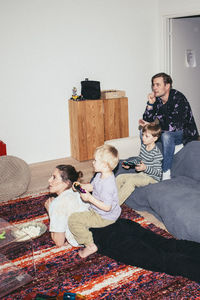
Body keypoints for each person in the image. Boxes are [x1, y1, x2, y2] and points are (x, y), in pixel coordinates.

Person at [139, 72, 199, 180]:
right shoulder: (157, 100)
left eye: (158, 85)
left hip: (184, 133)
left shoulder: (179, 98)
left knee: (167, 136)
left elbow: (175, 125)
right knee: (143, 132)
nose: (154, 88)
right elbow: (147, 119)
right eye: (153, 85)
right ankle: (147, 161)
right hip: (166, 131)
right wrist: (150, 104)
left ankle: (165, 172)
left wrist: (153, 126)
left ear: (167, 86)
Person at [68, 144, 121, 258]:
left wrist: (90, 199)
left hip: (104, 216)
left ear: (105, 165)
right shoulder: (100, 174)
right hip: (100, 211)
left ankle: (90, 245)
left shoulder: (108, 185)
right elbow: (93, 187)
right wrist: (81, 186)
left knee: (73, 220)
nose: (93, 162)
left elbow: (107, 207)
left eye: (95, 160)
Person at [116, 122, 163, 205]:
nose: (143, 138)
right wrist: (130, 164)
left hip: (152, 178)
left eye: (146, 136)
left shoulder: (157, 154)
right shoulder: (143, 147)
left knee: (131, 181)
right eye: (143, 135)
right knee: (120, 177)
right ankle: (111, 198)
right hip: (143, 174)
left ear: (155, 138)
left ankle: (115, 205)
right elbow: (139, 159)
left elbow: (158, 173)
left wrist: (145, 168)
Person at [44, 164, 89, 247]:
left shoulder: (57, 203)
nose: (49, 180)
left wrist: (50, 211)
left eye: (54, 177)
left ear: (67, 182)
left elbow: (59, 242)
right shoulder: (80, 190)